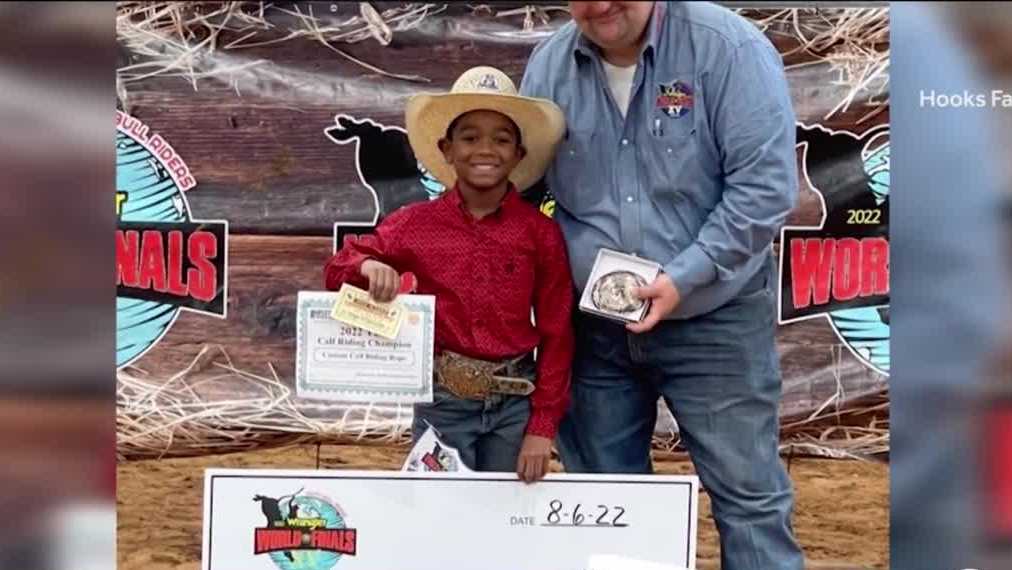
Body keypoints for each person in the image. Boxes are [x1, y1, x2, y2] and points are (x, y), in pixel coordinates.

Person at [520, 2, 803, 568]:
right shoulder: (548, 67)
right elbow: (522, 193)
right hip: (593, 328)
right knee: (607, 504)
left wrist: (686, 274)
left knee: (748, 502)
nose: (598, 6)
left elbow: (765, 188)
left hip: (714, 319)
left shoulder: (729, 49)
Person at [323, 66, 574, 483]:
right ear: (447, 149)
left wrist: (541, 428)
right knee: (436, 517)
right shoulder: (414, 224)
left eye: (501, 139)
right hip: (443, 403)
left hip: (515, 405)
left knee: (506, 521)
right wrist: (368, 266)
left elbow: (557, 332)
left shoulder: (539, 234)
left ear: (519, 154)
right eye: (470, 137)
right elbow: (337, 268)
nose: (485, 149)